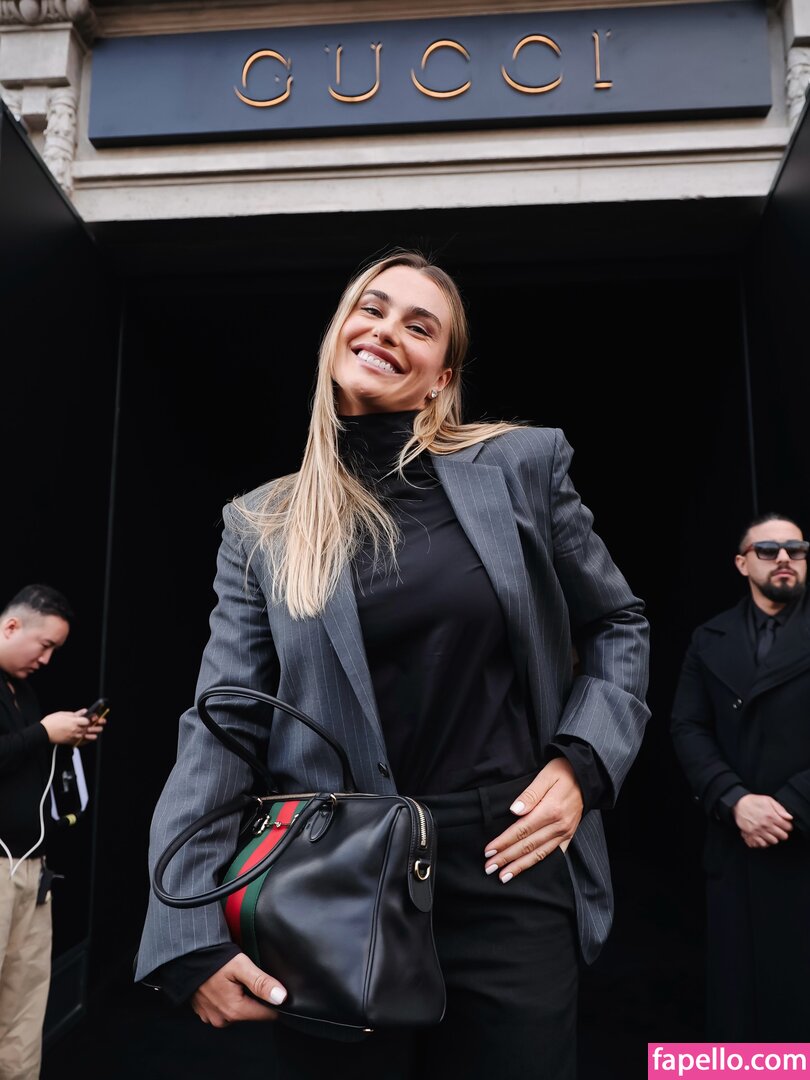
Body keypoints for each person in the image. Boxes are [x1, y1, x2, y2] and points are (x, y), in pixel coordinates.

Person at [135, 250, 650, 1079]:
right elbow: (223, 723)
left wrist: (583, 762)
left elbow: (618, 621)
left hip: (506, 861)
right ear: (339, 332)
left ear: (441, 379)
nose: (386, 331)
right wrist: (187, 932)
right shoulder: (261, 523)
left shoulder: (523, 466)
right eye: (371, 309)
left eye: (419, 325)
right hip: (332, 881)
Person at [670, 512, 810, 1040]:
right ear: (741, 563)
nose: (784, 558)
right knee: (740, 1011)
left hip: (802, 841)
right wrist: (734, 799)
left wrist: (790, 805)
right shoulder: (709, 638)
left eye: (796, 549)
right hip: (736, 847)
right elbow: (687, 726)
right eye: (768, 550)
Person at [0, 583, 107, 1080]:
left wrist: (67, 739)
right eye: (45, 645)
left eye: (55, 650)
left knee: (25, 1006)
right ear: (11, 626)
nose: (46, 659)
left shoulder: (24, 692)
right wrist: (45, 732)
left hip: (32, 869)